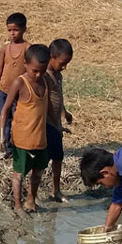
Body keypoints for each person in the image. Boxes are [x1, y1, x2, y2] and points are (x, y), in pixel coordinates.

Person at [0, 44, 51, 217]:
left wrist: (57, 124)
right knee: (19, 173)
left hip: (40, 139)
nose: (38, 75)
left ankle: (31, 199)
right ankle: (18, 205)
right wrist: (2, 136)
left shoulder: (45, 81)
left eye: (42, 71)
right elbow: (6, 109)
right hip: (22, 139)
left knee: (38, 171)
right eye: (34, 71)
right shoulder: (20, 83)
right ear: (26, 64)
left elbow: (47, 107)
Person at [0, 13, 29, 159]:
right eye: (9, 30)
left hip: (18, 93)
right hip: (3, 90)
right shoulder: (5, 48)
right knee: (4, 116)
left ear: (24, 29)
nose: (12, 33)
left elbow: (30, 70)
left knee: (17, 119)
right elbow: (0, 66)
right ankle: (5, 146)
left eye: (15, 30)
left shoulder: (28, 48)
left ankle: (18, 146)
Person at [43, 39, 74, 203]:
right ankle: (33, 194)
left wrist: (64, 112)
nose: (64, 67)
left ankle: (56, 190)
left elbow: (58, 97)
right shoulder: (45, 76)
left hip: (56, 124)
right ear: (51, 57)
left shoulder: (58, 75)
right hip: (48, 125)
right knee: (43, 161)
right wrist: (53, 124)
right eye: (62, 63)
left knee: (58, 158)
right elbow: (45, 101)